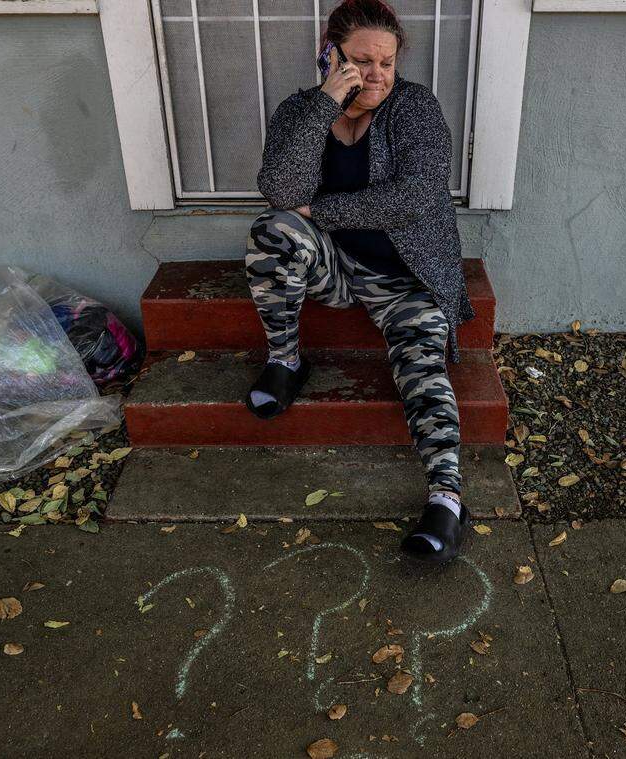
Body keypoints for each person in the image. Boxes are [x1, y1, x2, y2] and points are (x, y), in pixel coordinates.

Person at [244, 0, 476, 563]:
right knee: (274, 229)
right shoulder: (301, 110)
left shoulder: (415, 107)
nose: (376, 75)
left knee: (422, 367)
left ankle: (447, 500)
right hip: (335, 268)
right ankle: (285, 361)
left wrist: (321, 210)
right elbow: (281, 191)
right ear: (330, 55)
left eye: (387, 63)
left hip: (405, 279)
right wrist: (326, 102)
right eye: (361, 61)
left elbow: (416, 196)